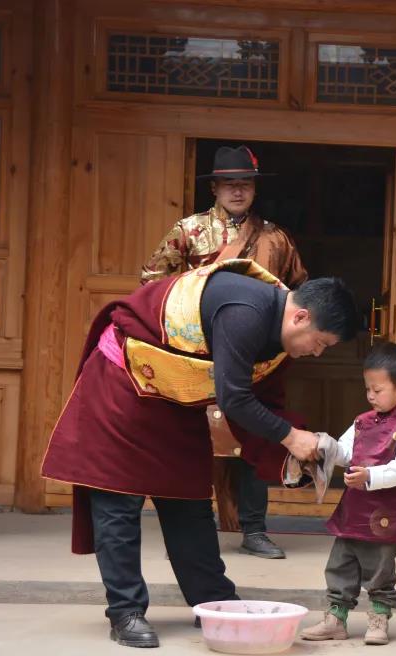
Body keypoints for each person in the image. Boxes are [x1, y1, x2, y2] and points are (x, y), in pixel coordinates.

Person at [42, 259, 358, 647]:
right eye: (320, 342)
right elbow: (235, 399)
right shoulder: (245, 311)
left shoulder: (278, 336)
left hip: (178, 397)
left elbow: (264, 402)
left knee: (189, 500)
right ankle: (125, 611)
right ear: (301, 317)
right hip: (125, 383)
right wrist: (290, 437)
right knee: (118, 503)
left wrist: (296, 452)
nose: (317, 353)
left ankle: (213, 601)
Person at [142, 145, 308, 560]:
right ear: (214, 188)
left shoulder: (276, 237)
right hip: (196, 353)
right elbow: (152, 281)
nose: (237, 191)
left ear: (254, 189)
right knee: (191, 440)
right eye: (229, 184)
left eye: (245, 184)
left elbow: (299, 292)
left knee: (257, 434)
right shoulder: (188, 230)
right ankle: (190, 529)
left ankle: (255, 529)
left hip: (258, 357)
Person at [300, 342, 396, 646]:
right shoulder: (361, 422)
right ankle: (335, 618)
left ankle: (379, 617)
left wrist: (371, 476)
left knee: (380, 568)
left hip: (384, 516)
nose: (370, 395)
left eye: (377, 390)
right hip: (354, 510)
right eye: (368, 388)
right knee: (340, 563)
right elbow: (346, 452)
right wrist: (326, 446)